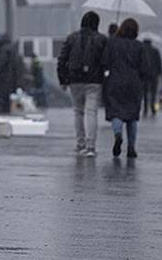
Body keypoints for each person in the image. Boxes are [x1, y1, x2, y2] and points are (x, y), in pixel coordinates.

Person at [56, 11, 107, 157]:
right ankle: (90, 147)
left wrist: (63, 79)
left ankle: (80, 144)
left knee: (78, 112)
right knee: (92, 112)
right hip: (94, 81)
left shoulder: (72, 38)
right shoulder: (102, 39)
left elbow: (62, 59)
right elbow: (106, 61)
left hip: (75, 80)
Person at [102, 18, 151, 159]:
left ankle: (118, 135)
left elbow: (104, 62)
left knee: (116, 113)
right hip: (133, 85)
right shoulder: (139, 47)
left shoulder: (112, 43)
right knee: (132, 117)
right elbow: (145, 69)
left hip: (115, 82)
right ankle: (131, 147)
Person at [0, 33, 24, 114]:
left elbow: (0, 64)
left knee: (1, 94)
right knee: (6, 96)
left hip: (3, 76)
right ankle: (6, 110)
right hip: (10, 76)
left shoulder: (3, 50)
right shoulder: (12, 49)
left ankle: (1, 110)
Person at [142, 38, 162, 117]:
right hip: (154, 75)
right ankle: (153, 108)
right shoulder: (155, 51)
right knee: (153, 93)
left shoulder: (141, 50)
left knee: (144, 93)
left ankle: (145, 109)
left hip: (144, 75)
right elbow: (159, 64)